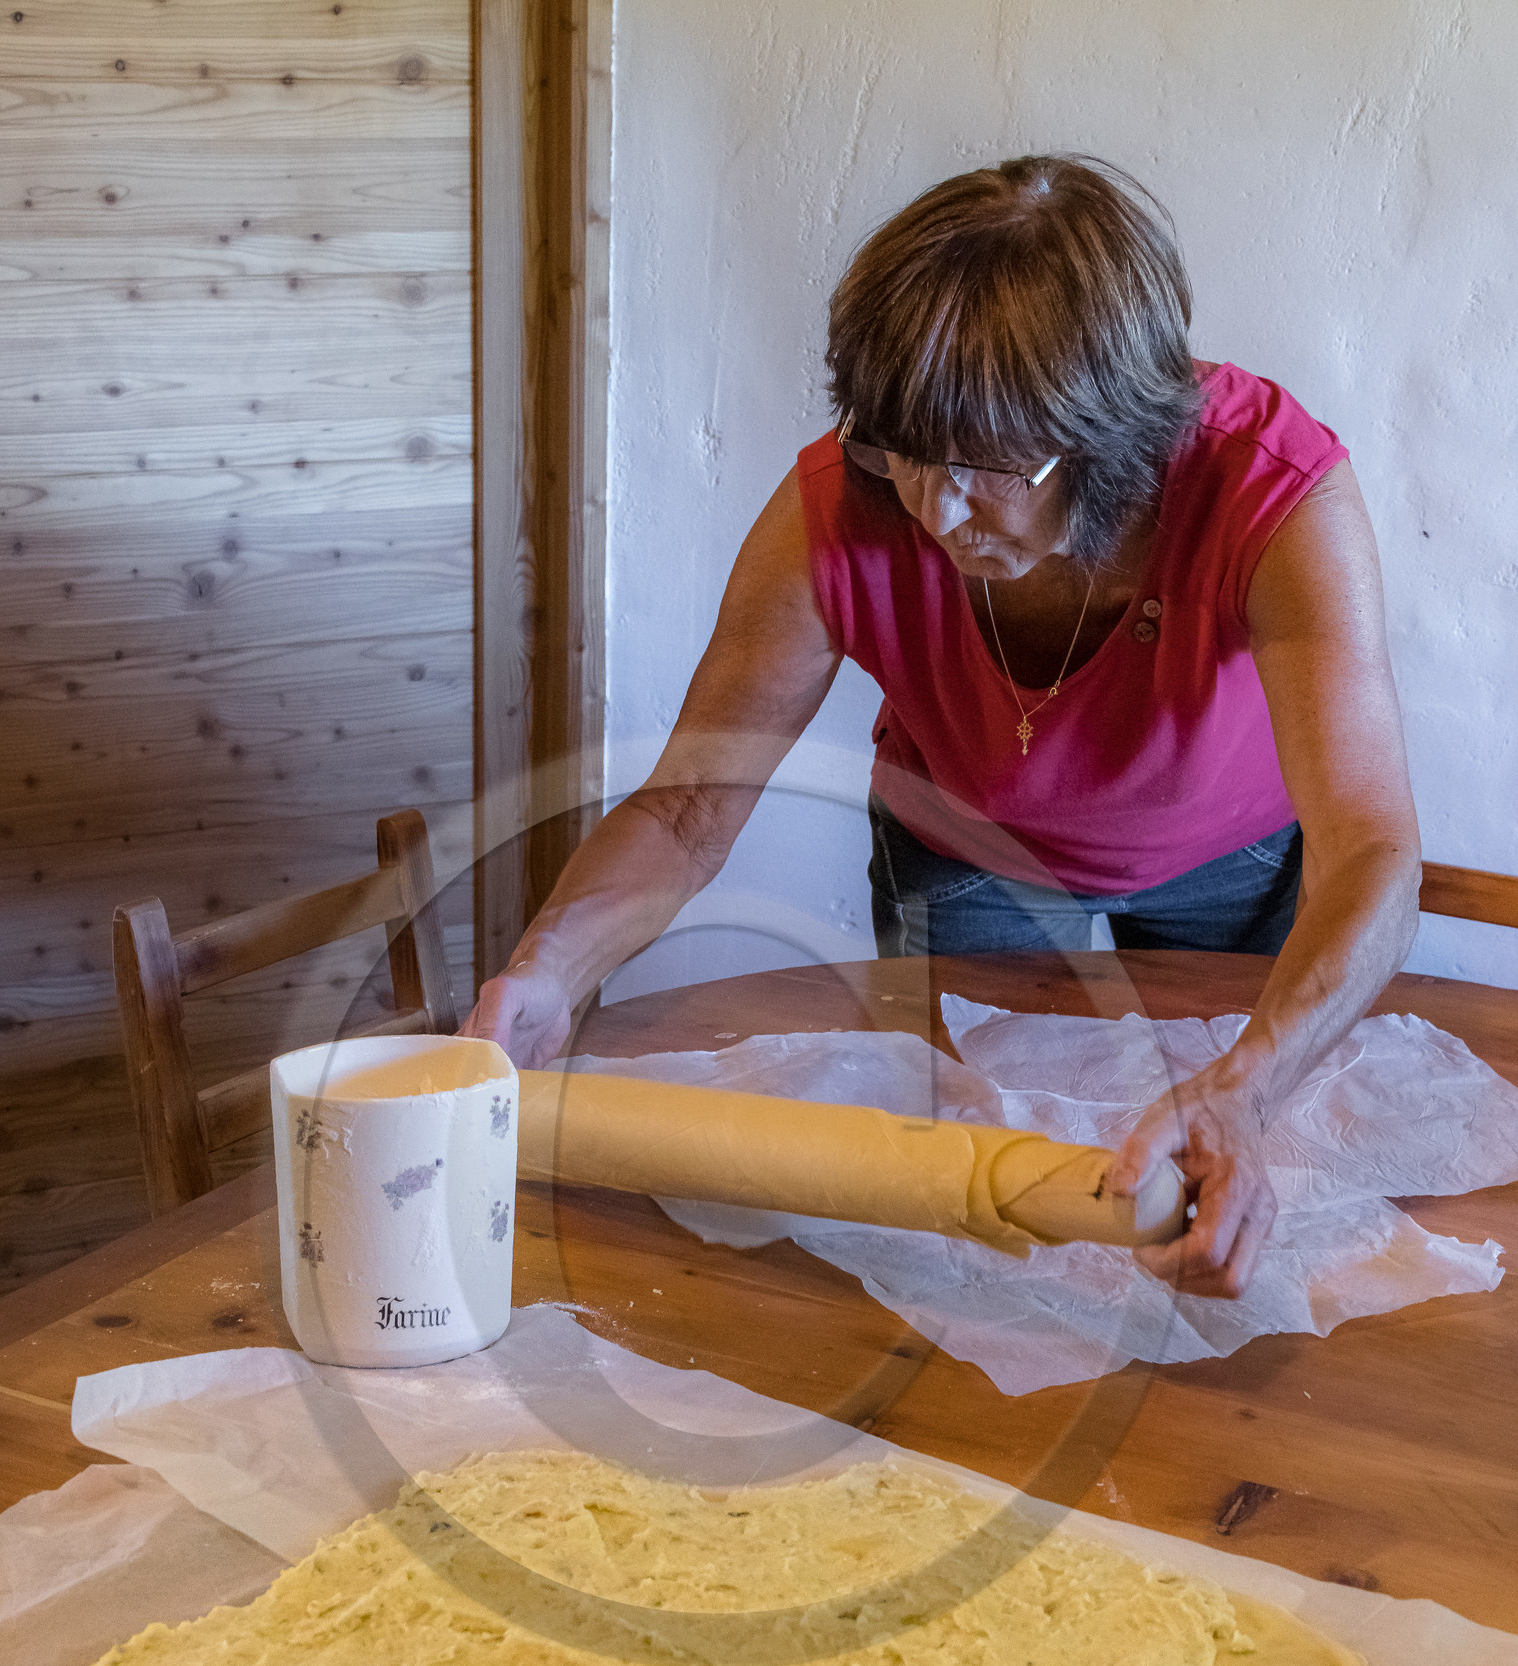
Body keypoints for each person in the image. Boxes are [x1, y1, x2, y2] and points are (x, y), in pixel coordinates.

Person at [466, 156, 1421, 1300]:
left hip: (1228, 858)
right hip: (965, 846)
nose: (934, 509)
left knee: (1227, 1167)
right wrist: (545, 970)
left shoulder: (1271, 489)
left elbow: (1370, 849)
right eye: (903, 453)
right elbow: (685, 812)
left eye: (986, 467)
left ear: (1113, 436)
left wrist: (1248, 1084)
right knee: (975, 1179)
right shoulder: (841, 505)